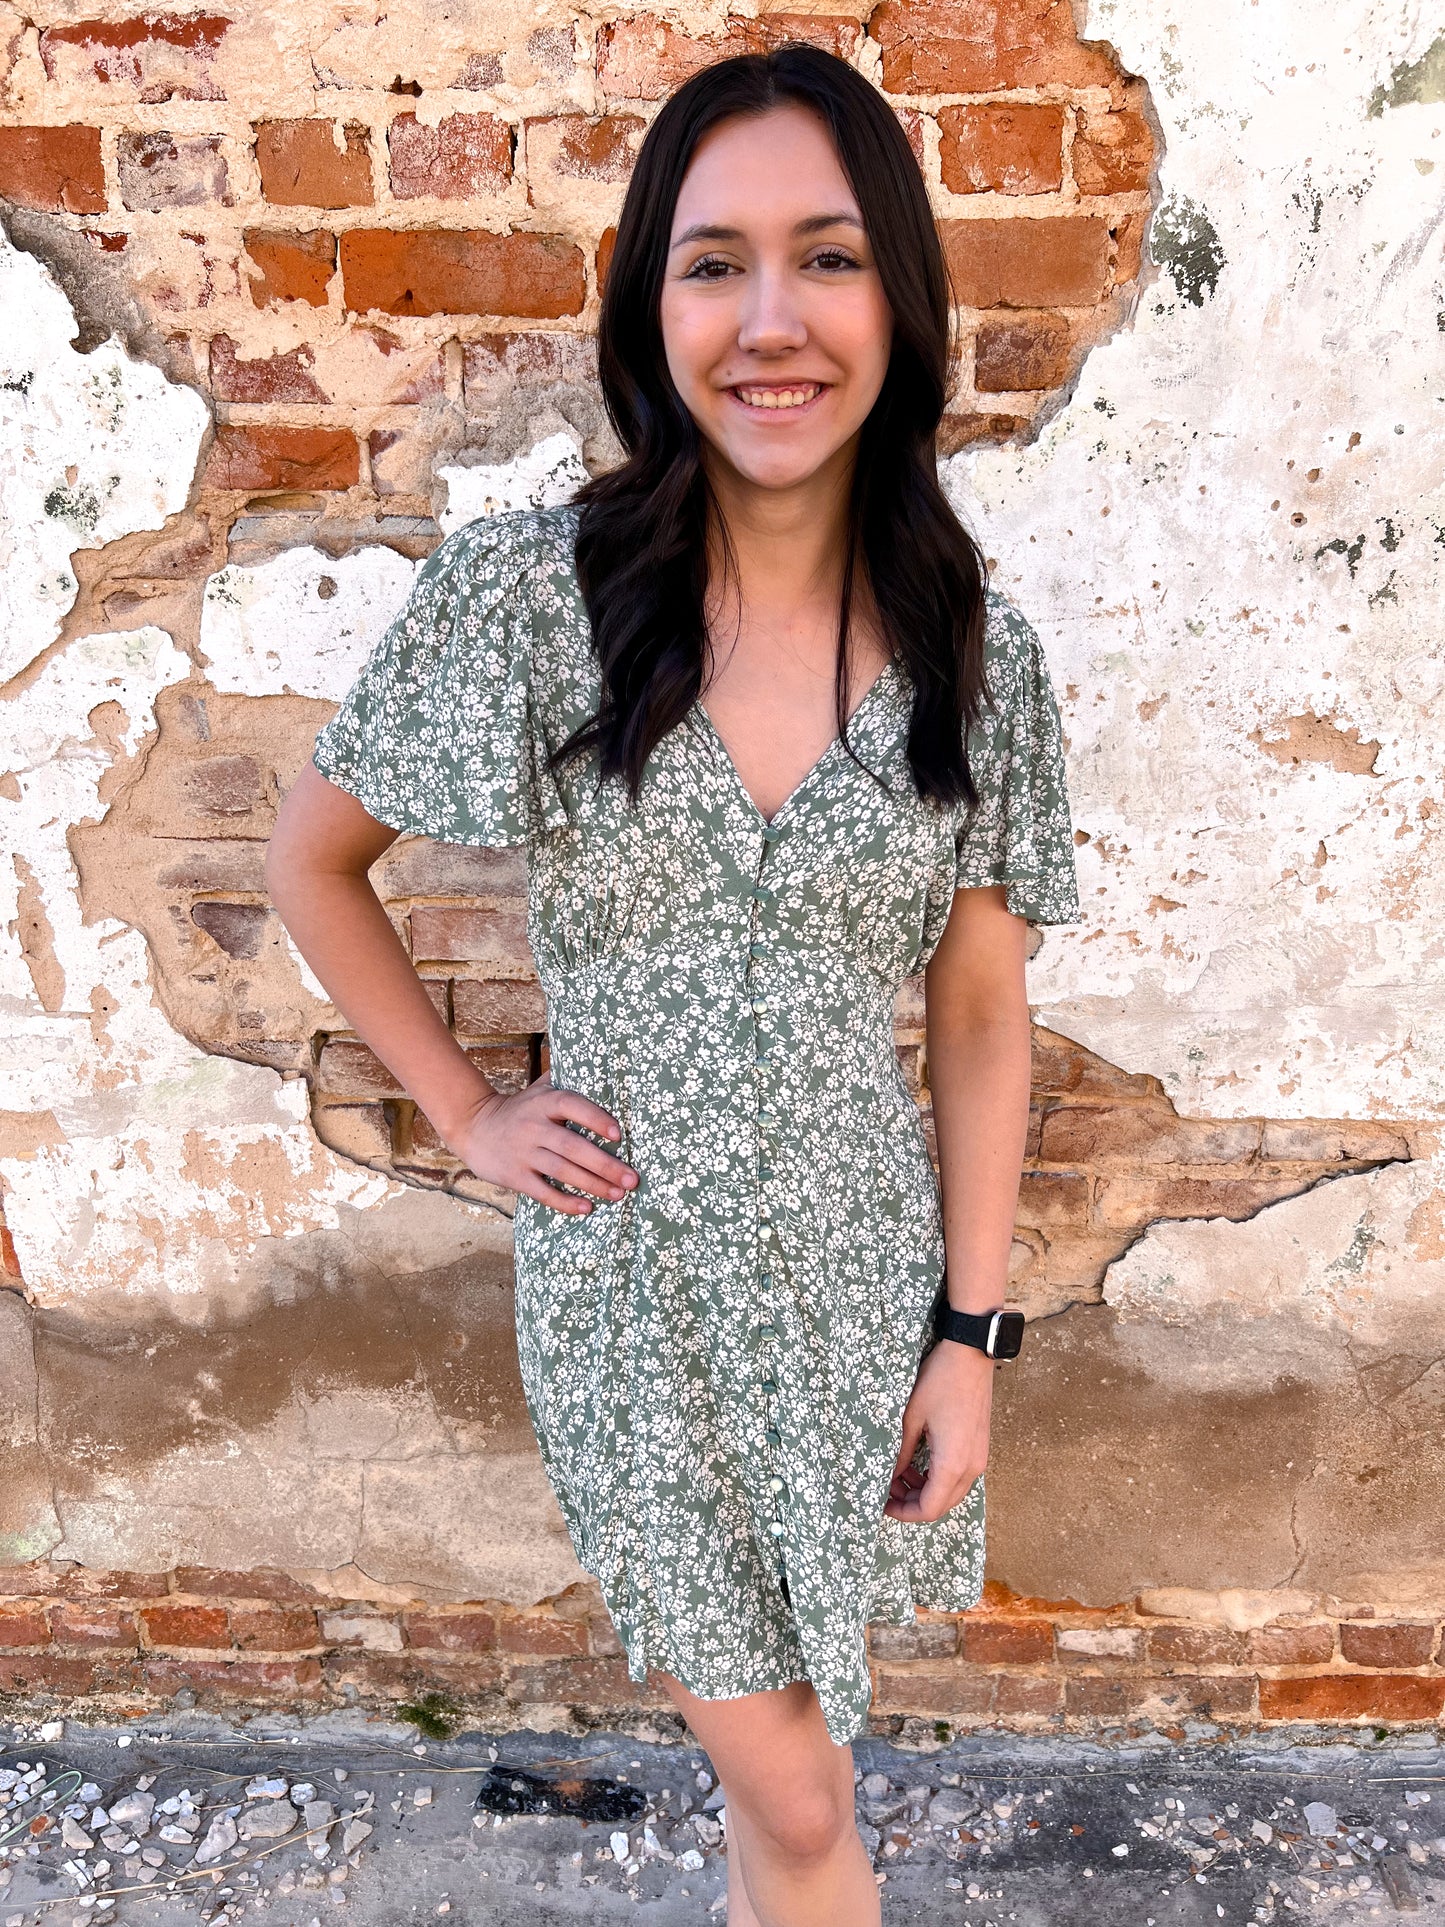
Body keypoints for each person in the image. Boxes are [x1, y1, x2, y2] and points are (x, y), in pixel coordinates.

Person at [266, 41, 1080, 1927]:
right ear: (652, 303)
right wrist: (469, 1112)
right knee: (796, 1792)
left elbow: (978, 1019)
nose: (770, 321)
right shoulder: (528, 599)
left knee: (801, 1772)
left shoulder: (978, 657)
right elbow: (313, 860)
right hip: (635, 1305)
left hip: (859, 1290)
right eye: (714, 263)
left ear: (899, 299)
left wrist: (969, 1339)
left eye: (828, 257)